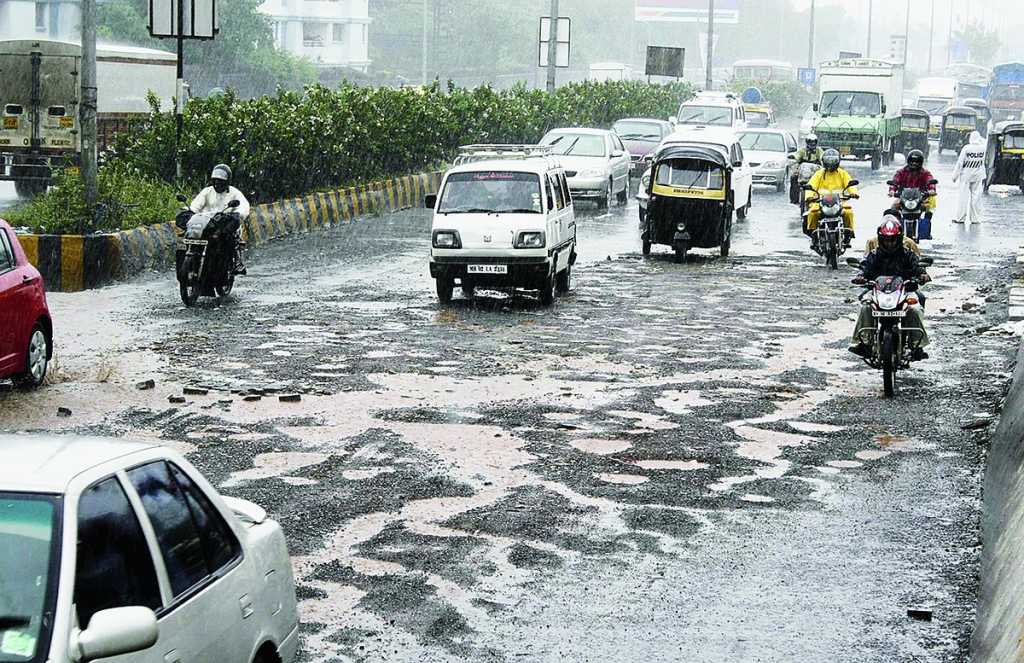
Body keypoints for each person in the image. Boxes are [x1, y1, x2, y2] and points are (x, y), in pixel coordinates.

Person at [849, 218, 931, 361]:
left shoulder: (907, 254)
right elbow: (865, 268)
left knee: (915, 309)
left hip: (905, 291)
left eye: (893, 240)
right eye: (886, 240)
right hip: (878, 291)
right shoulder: (874, 254)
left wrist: (922, 274)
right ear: (881, 239)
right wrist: (861, 276)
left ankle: (917, 345)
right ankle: (864, 343)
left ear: (898, 239)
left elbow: (917, 267)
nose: (889, 243)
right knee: (866, 306)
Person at [190, 164, 250, 274]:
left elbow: (244, 207)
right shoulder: (207, 191)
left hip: (225, 225)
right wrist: (190, 212)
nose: (217, 183)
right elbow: (195, 206)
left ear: (227, 181)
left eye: (221, 181)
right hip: (207, 224)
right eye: (215, 180)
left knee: (230, 238)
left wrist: (237, 214)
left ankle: (236, 263)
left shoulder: (234, 193)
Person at [804, 148, 858, 248]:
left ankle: (848, 235)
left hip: (839, 201)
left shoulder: (842, 173)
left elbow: (850, 185)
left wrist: (854, 193)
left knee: (849, 213)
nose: (830, 165)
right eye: (828, 162)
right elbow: (811, 185)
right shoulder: (819, 174)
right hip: (820, 202)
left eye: (833, 162)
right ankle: (814, 236)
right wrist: (809, 196)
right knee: (813, 213)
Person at [952, 130, 986, 225]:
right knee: (976, 198)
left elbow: (960, 163)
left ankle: (960, 218)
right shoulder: (983, 148)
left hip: (966, 175)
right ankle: (975, 219)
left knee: (963, 197)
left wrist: (955, 176)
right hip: (978, 175)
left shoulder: (966, 148)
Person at [889, 149, 937, 215]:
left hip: (920, 200)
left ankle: (925, 224)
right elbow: (895, 181)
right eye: (912, 161)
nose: (914, 163)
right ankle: (894, 224)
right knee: (893, 208)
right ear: (908, 161)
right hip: (903, 200)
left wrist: (932, 190)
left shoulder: (925, 173)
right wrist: (892, 190)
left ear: (921, 162)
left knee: (928, 211)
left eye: (917, 162)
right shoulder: (901, 172)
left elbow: (930, 180)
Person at [790, 134, 824, 204]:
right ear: (807, 142)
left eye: (814, 142)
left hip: (816, 171)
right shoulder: (802, 150)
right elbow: (797, 156)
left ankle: (824, 198)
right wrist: (793, 157)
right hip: (803, 171)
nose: (812, 143)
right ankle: (794, 199)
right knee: (793, 177)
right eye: (810, 142)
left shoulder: (819, 150)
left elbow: (822, 156)